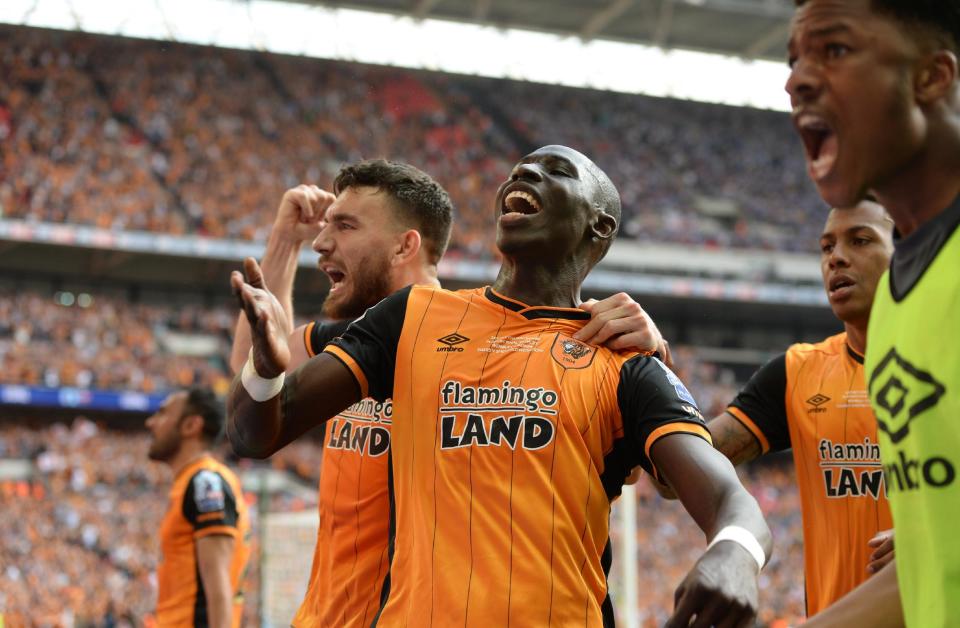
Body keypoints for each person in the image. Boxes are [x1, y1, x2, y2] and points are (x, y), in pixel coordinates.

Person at [228, 145, 772, 627]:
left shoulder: (623, 360)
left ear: (599, 226)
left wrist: (736, 551)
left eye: (553, 171)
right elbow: (257, 433)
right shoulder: (412, 319)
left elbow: (727, 497)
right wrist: (265, 369)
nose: (526, 173)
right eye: (519, 169)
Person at [786, 1, 960, 626]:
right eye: (793, 59)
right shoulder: (896, 304)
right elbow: (931, 576)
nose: (796, 80)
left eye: (833, 51)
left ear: (931, 77)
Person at [656, 200, 895, 615]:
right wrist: (653, 374)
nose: (836, 257)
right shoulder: (794, 374)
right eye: (826, 247)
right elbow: (671, 479)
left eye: (860, 240)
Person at [145, 387, 251, 628]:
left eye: (162, 414)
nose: (150, 422)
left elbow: (219, 588)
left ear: (191, 426)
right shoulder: (190, 481)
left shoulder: (205, 483)